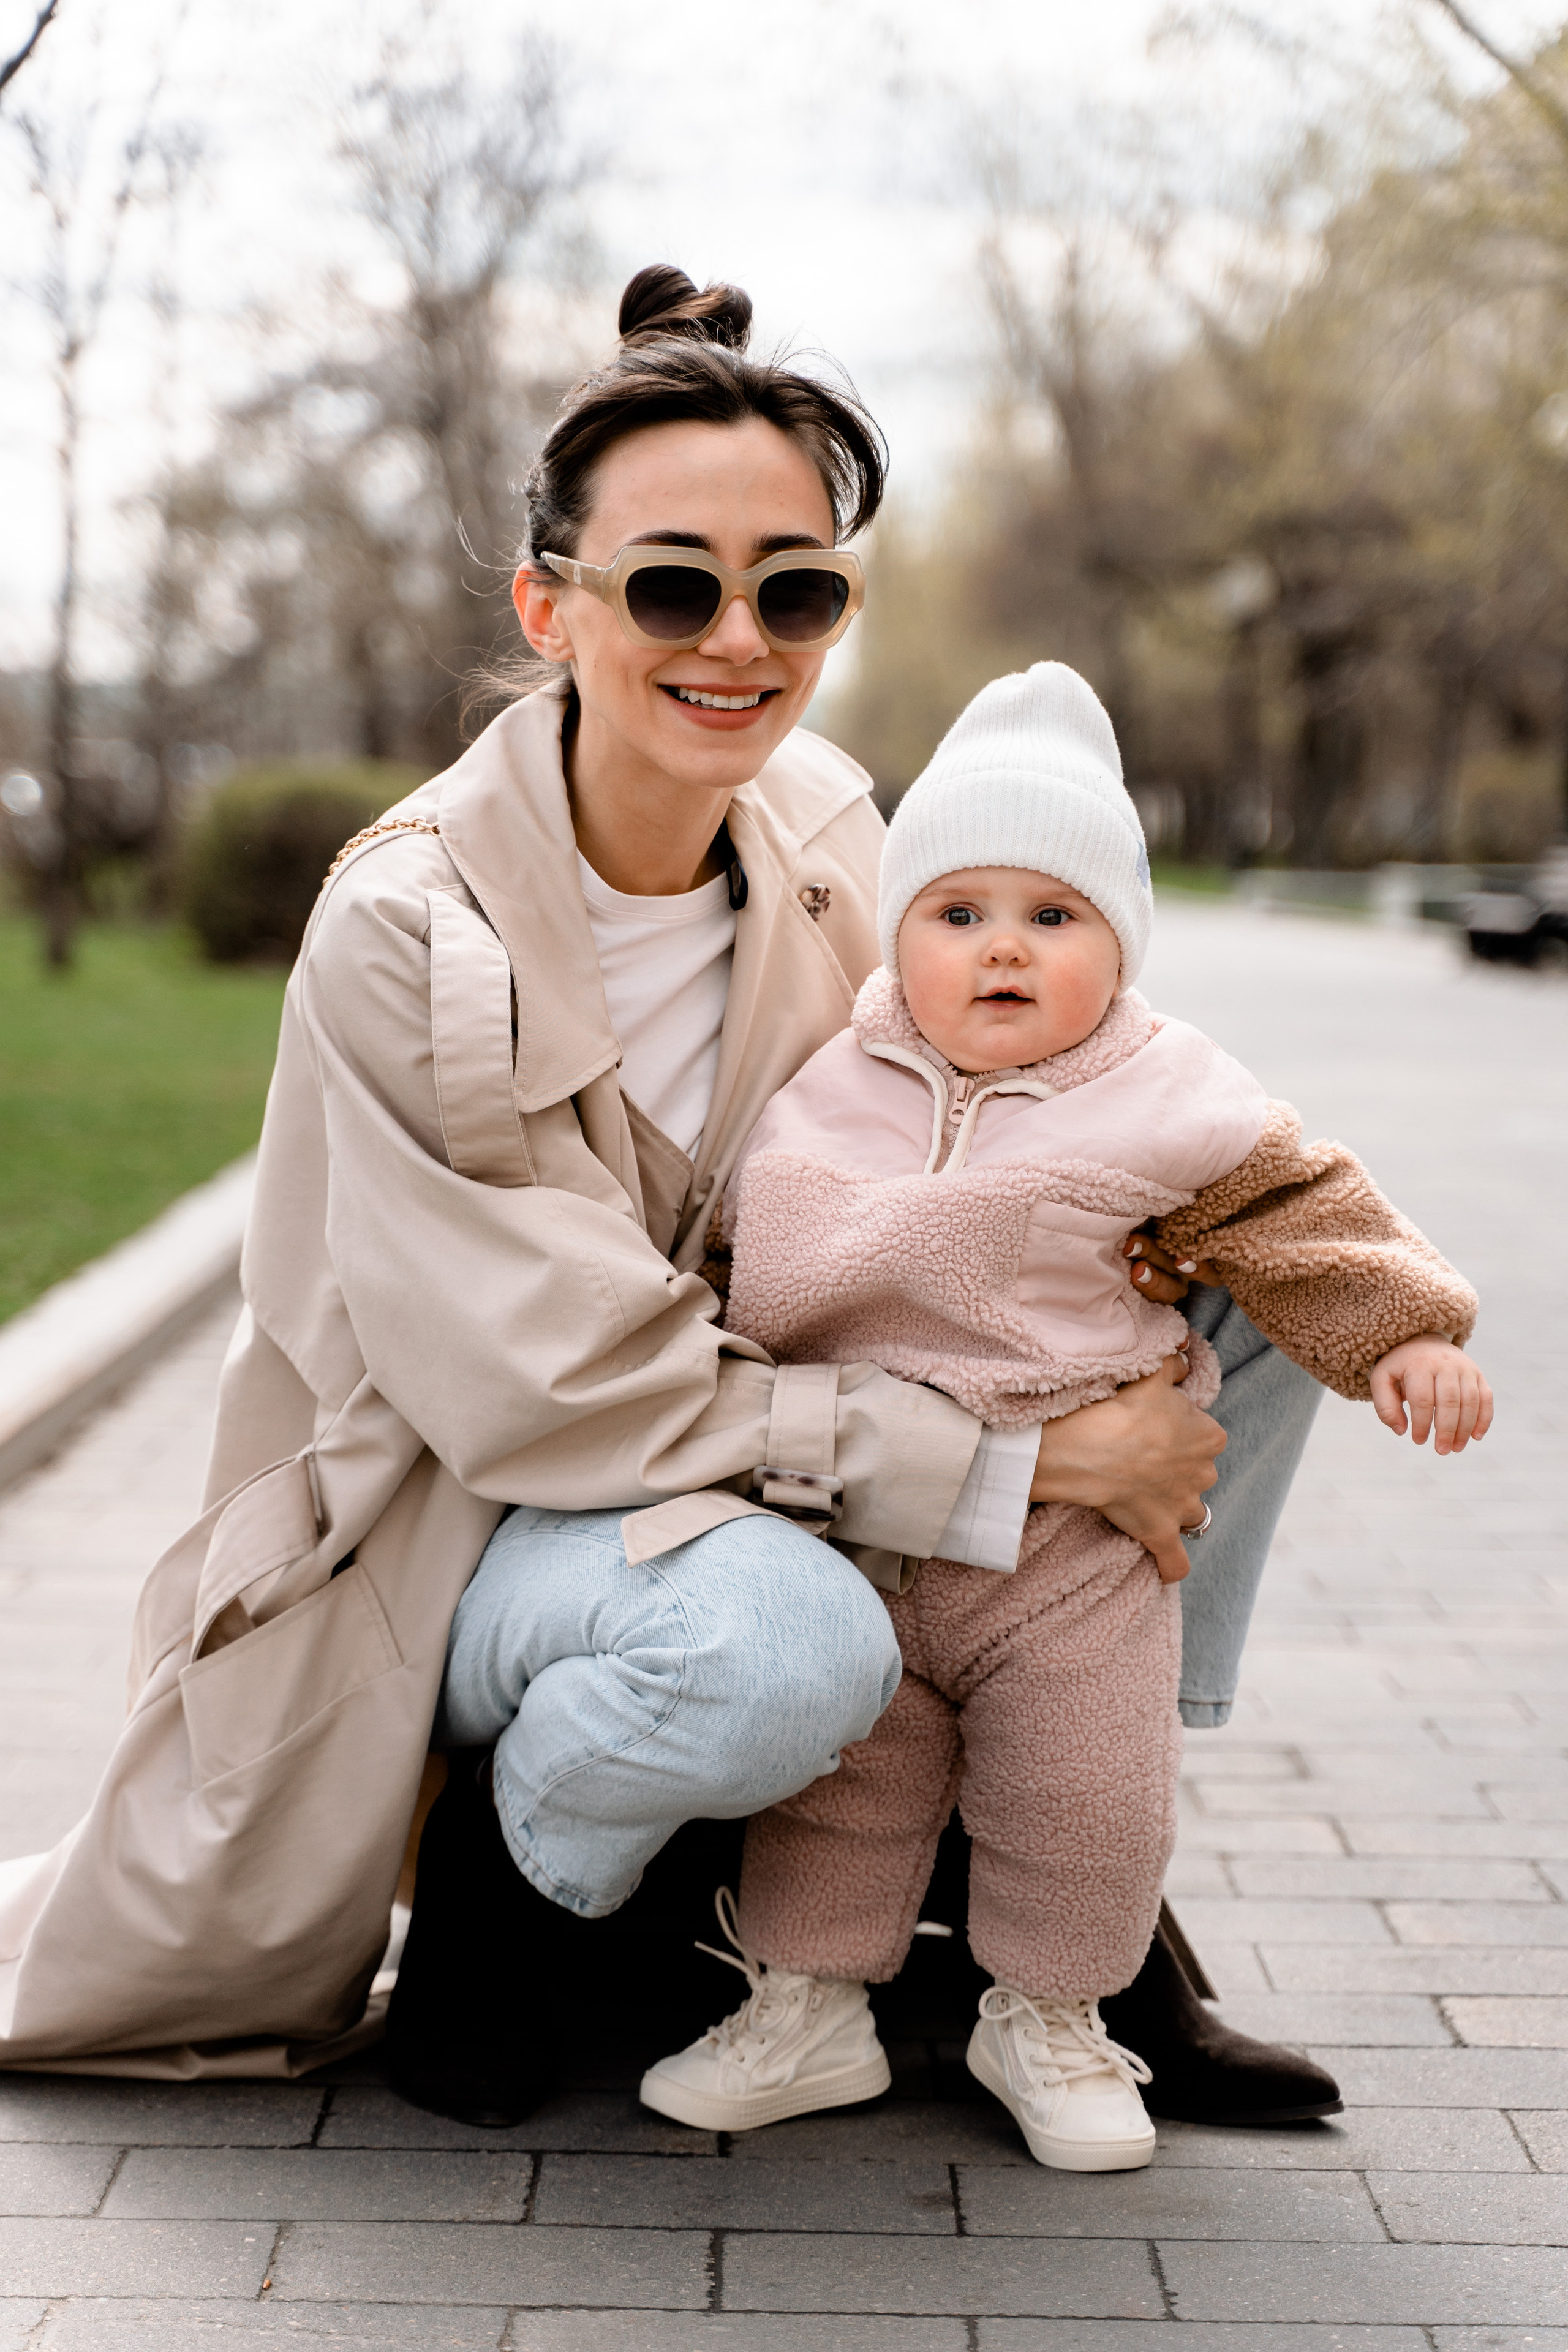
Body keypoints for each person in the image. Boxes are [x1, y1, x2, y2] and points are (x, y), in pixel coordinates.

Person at [0, 270, 1324, 2116]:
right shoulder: (413, 930)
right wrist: (1025, 1465)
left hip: (795, 1441)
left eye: (796, 588)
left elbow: (1019, 1088)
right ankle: (519, 1895)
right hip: (490, 1522)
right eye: (673, 583)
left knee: (1282, 1268)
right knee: (784, 1647)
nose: (738, 639)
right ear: (553, 607)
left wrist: (1183, 1231)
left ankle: (1076, 1835)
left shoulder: (834, 835)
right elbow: (559, 1397)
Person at [638, 662, 1490, 2169]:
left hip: (1081, 1555)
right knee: (844, 1786)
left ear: (1122, 947)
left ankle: (1048, 2017)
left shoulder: (1164, 1094)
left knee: (1084, 1791)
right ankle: (809, 2003)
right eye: (958, 915)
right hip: (864, 1537)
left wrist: (1407, 1335)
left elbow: (1307, 1215)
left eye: (1054, 917)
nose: (1003, 952)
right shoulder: (828, 1085)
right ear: (901, 935)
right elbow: (735, 1257)